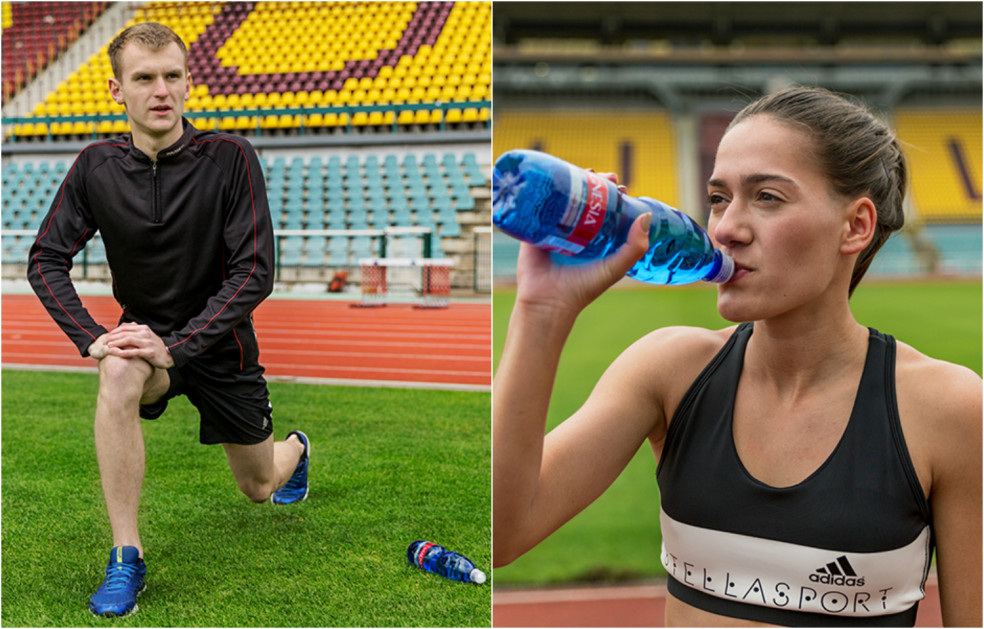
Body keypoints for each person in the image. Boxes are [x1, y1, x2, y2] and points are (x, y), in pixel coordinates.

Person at [493, 86, 981, 626]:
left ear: (856, 226)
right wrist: (541, 310)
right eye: (719, 197)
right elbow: (500, 533)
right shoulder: (669, 371)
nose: (725, 228)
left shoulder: (948, 410)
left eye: (767, 197)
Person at [27, 22, 310, 618]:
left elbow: (254, 272)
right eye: (144, 78)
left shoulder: (230, 158)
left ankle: (295, 450)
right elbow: (46, 257)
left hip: (221, 345)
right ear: (116, 90)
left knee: (260, 487)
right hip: (143, 338)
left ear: (189, 83)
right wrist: (94, 337)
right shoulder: (95, 168)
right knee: (116, 374)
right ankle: (126, 556)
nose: (161, 90)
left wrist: (176, 347)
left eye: (172, 76)